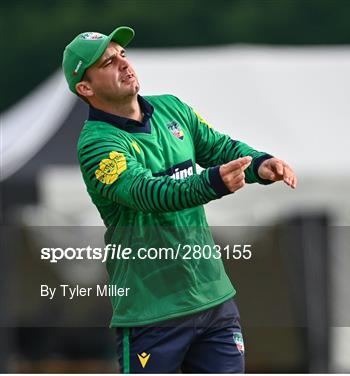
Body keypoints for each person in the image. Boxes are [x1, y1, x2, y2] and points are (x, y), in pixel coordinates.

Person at [62, 26, 297, 373]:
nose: (124, 65)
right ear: (86, 87)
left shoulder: (172, 108)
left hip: (213, 298)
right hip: (152, 312)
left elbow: (219, 147)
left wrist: (260, 164)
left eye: (122, 55)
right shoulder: (97, 143)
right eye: (108, 62)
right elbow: (148, 193)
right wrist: (213, 182)